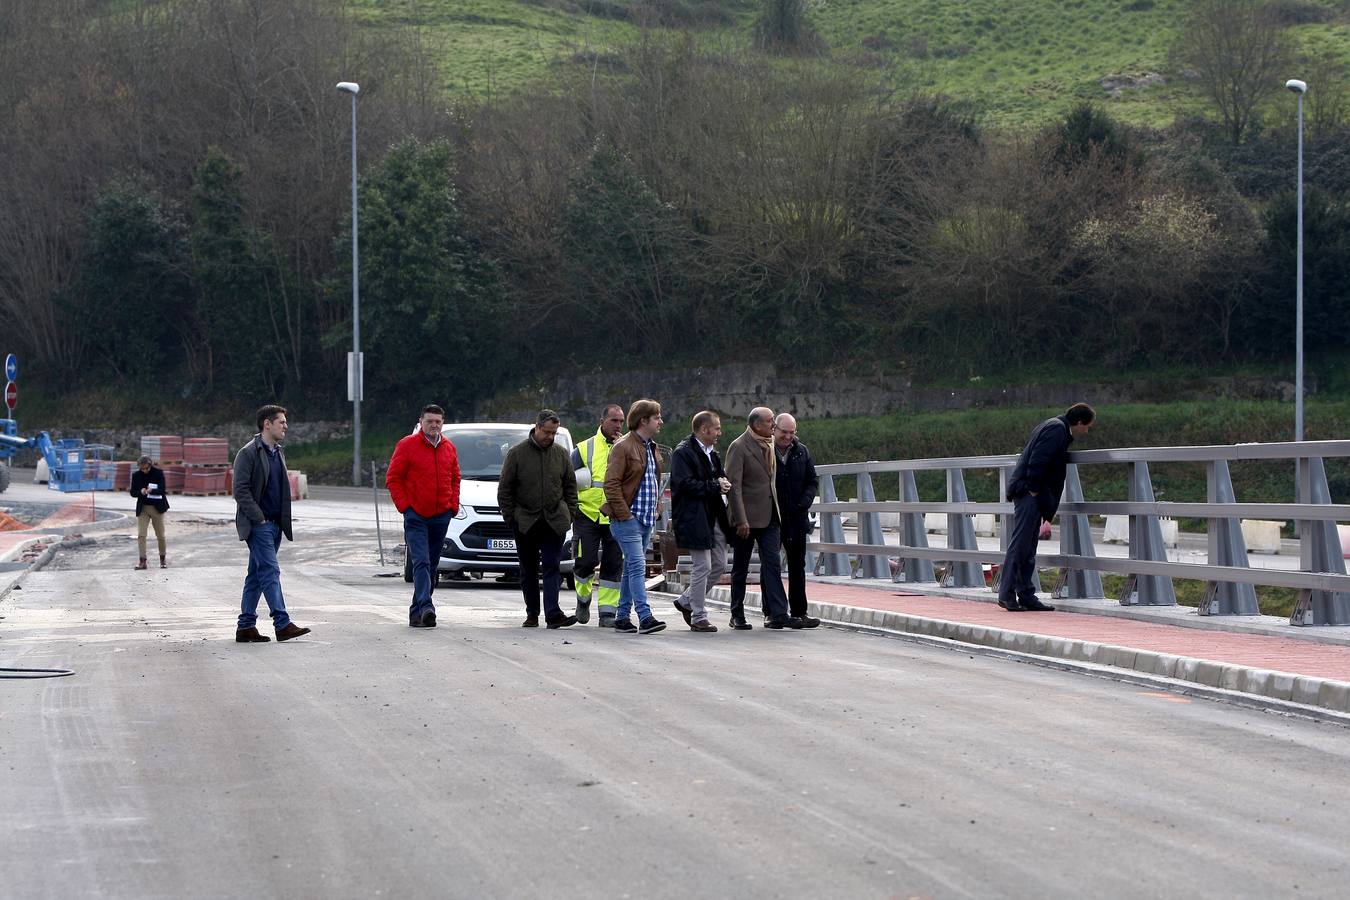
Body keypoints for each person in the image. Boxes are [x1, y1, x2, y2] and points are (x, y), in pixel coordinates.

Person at [998, 402, 1096, 613]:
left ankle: (1026, 594)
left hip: (1032, 494)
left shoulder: (1054, 426)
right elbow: (1038, 459)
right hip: (1029, 493)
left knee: (1028, 546)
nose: (1086, 431)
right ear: (1079, 422)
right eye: (1087, 427)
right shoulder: (1057, 429)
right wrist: (1033, 489)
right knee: (1021, 545)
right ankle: (1007, 594)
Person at [232, 405, 310, 643]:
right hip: (259, 525)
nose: (285, 426)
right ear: (267, 424)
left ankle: (245, 626)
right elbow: (240, 490)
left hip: (275, 524)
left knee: (256, 575)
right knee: (270, 571)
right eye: (281, 422)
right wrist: (259, 517)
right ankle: (282, 623)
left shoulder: (277, 452)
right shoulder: (248, 453)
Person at [498, 410, 580, 628]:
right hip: (525, 521)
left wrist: (570, 513)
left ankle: (553, 614)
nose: (550, 437)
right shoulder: (517, 454)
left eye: (553, 433)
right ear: (537, 427)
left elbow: (570, 486)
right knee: (529, 569)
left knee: (553, 566)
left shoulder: (561, 454)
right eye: (547, 432)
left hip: (554, 520)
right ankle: (532, 613)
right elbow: (505, 489)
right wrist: (511, 518)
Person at [387, 404, 461, 628]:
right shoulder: (407, 445)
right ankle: (427, 605)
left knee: (431, 565)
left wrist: (452, 506)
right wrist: (406, 508)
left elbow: (455, 478)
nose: (434, 425)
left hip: (441, 515)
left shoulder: (449, 447)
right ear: (421, 422)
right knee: (420, 561)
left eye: (438, 421)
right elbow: (393, 478)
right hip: (416, 515)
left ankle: (416, 613)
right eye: (430, 421)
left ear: (442, 423)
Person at [725, 407, 798, 630]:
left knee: (772, 565)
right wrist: (740, 519)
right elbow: (734, 486)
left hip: (770, 516)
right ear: (756, 425)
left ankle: (778, 613)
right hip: (746, 518)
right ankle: (737, 613)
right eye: (769, 422)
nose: (773, 425)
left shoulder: (771, 444)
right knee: (741, 566)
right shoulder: (739, 447)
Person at [600, 399, 667, 635]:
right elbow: (611, 484)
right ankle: (645, 616)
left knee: (631, 567)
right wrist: (624, 515)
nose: (660, 421)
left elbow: (651, 480)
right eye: (656, 417)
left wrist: (657, 505)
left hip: (646, 518)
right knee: (638, 565)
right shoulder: (623, 447)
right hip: (628, 518)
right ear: (643, 421)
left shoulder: (652, 446)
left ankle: (622, 617)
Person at [670, 411, 732, 633]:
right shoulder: (683, 453)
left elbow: (718, 478)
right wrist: (715, 486)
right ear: (704, 429)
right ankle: (698, 615)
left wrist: (723, 483)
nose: (719, 433)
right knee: (702, 565)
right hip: (693, 517)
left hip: (713, 515)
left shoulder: (712, 454)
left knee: (719, 564)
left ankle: (686, 600)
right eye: (716, 428)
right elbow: (684, 484)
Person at [570, 404, 626, 627]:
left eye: (621, 421)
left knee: (613, 564)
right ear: (602, 421)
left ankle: (607, 613)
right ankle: (583, 599)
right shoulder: (584, 449)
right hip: (587, 513)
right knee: (585, 561)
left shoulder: (627, 446)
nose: (618, 425)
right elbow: (569, 480)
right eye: (614, 421)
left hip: (616, 514)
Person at [773, 413, 820, 628]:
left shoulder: (801, 451)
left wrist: (805, 501)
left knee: (797, 566)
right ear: (774, 429)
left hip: (797, 516)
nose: (788, 437)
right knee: (771, 566)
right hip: (772, 517)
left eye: (792, 433)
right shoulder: (766, 451)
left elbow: (812, 480)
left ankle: (800, 612)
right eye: (784, 432)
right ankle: (773, 613)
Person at [129, 454, 170, 571]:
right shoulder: (136, 476)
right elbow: (132, 492)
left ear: (150, 465)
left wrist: (153, 490)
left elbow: (163, 490)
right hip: (143, 508)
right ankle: (142, 561)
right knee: (141, 534)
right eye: (142, 468)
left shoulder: (158, 473)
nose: (144, 470)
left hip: (157, 507)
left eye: (146, 468)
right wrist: (140, 491)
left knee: (160, 535)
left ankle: (163, 559)